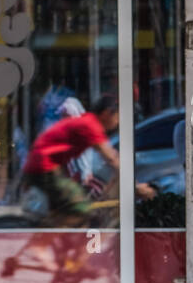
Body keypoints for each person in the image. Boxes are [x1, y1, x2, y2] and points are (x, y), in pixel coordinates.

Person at [23, 94, 154, 225]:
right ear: (107, 113)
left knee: (66, 210)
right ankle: (43, 242)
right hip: (44, 166)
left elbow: (112, 155)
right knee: (81, 208)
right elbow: (111, 158)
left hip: (45, 164)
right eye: (118, 116)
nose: (118, 121)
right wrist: (135, 185)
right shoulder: (91, 126)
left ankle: (52, 234)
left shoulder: (88, 121)